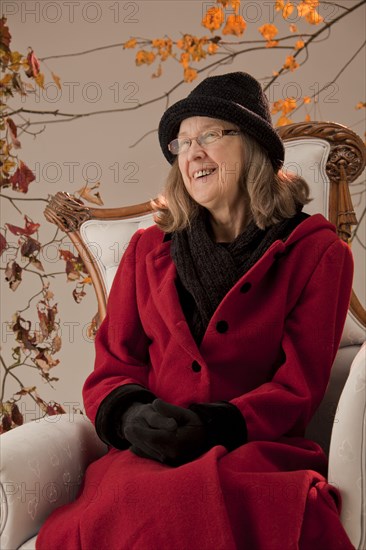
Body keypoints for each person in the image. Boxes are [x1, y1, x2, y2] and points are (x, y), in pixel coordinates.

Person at [37, 72, 355, 549]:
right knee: (129, 497)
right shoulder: (147, 251)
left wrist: (214, 425)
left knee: (202, 500)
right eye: (181, 143)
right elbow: (113, 367)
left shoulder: (318, 253)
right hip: (150, 449)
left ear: (253, 147)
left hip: (252, 448)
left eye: (208, 135)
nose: (192, 153)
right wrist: (130, 417)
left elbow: (298, 387)